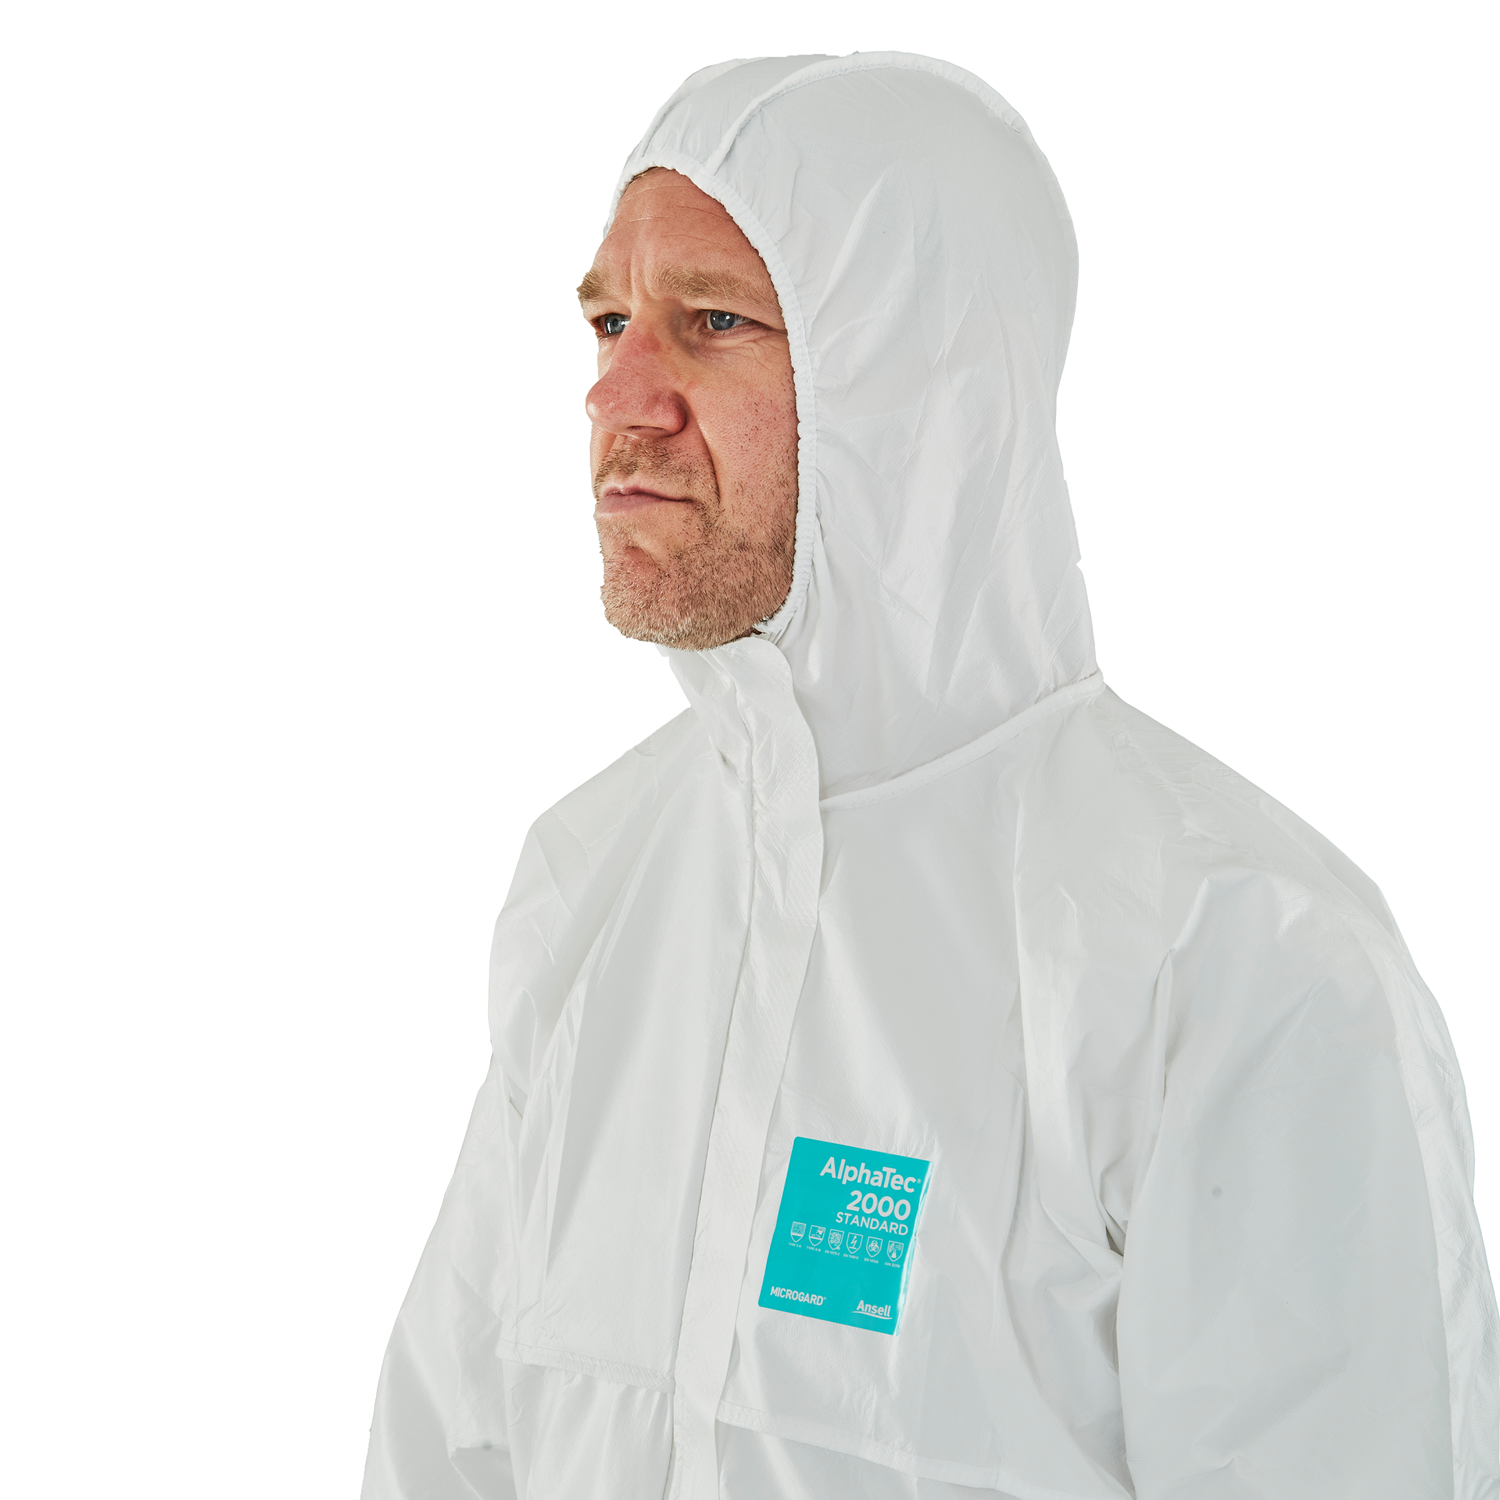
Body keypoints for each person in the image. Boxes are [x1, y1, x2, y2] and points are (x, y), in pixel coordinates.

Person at [360, 53, 1498, 1500]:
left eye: (714, 320)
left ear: (914, 384)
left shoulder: (1228, 952)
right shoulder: (592, 883)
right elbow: (447, 1454)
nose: (617, 395)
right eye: (607, 322)